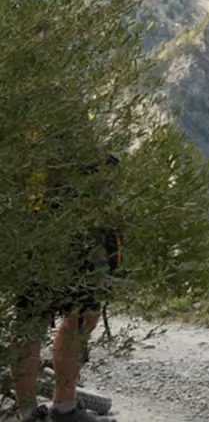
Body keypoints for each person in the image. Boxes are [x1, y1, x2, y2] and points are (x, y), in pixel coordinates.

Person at [6, 155, 121, 422]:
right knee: (32, 316)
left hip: (84, 217)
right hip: (42, 217)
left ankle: (65, 406)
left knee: (84, 312)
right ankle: (28, 412)